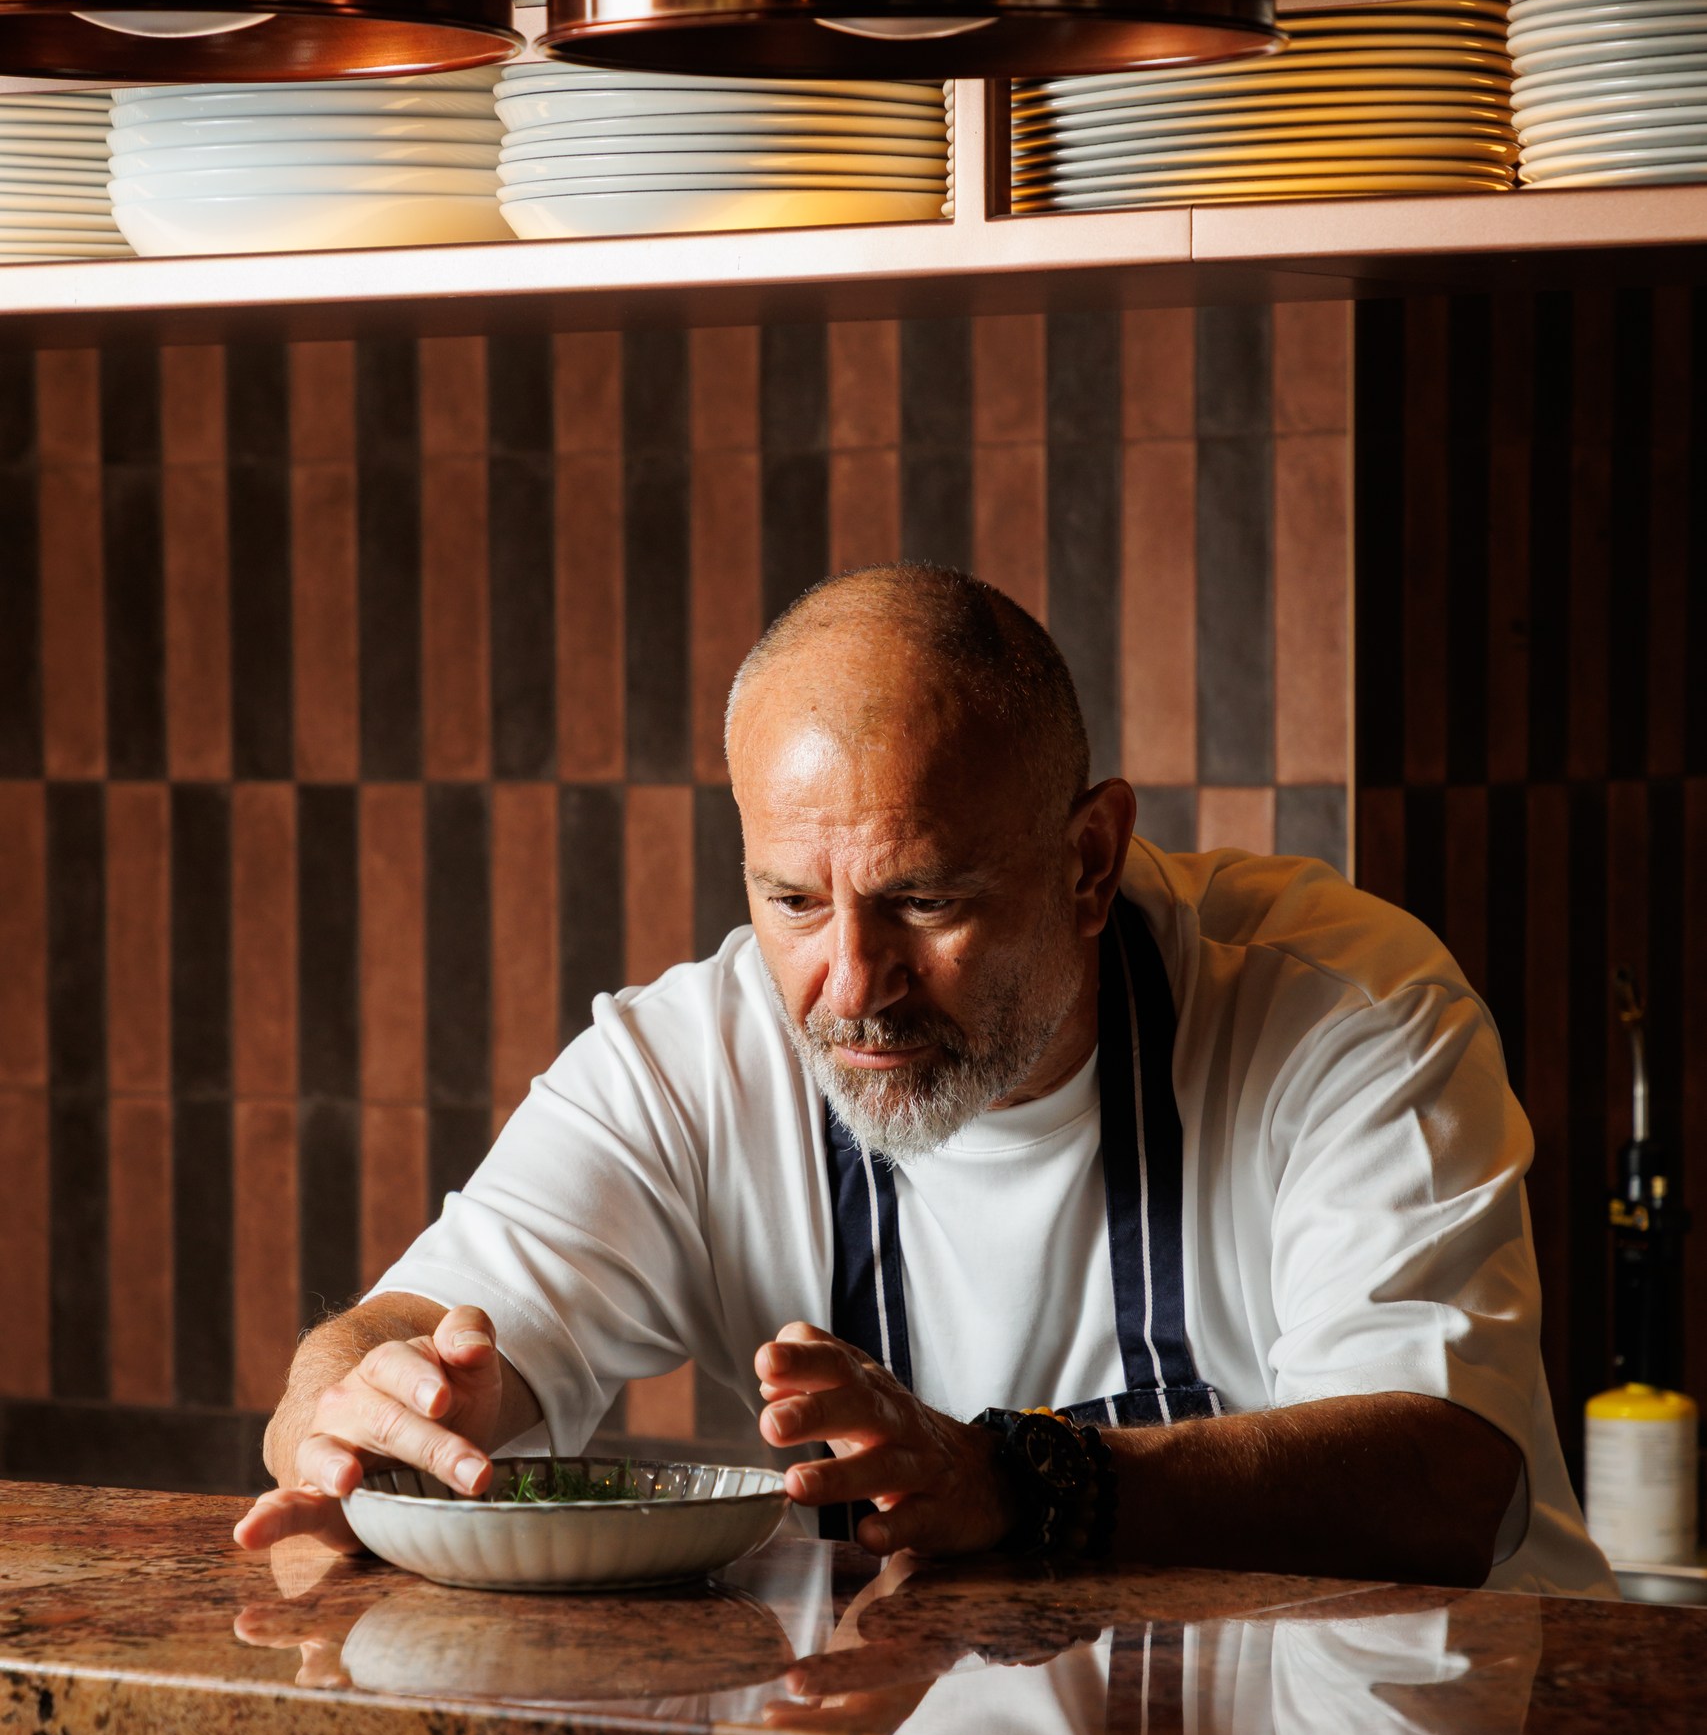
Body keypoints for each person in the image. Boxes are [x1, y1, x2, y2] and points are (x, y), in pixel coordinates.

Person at [237, 564, 1610, 1595]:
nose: (853, 982)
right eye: (791, 901)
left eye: (924, 901)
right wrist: (354, 1398)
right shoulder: (691, 1061)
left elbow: (1443, 1474)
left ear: (1089, 861)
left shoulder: (1344, 1014)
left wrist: (1023, 1481)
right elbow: (404, 1330)